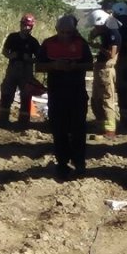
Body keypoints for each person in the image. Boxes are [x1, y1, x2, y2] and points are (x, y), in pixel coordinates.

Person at [35, 15, 93, 180]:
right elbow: (38, 66)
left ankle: (79, 163)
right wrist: (54, 65)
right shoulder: (48, 44)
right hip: (57, 94)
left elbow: (90, 64)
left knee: (78, 130)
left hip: (77, 94)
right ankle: (62, 163)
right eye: (63, 32)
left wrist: (75, 66)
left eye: (69, 32)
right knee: (59, 130)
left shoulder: (81, 44)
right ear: (57, 30)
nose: (66, 36)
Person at [0, 13, 40, 126]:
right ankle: (2, 119)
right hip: (13, 68)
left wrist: (29, 59)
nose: (26, 28)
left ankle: (23, 122)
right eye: (25, 25)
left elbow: (39, 58)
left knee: (26, 95)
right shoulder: (13, 37)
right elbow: (5, 51)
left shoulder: (33, 41)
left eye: (29, 26)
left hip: (26, 70)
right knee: (7, 93)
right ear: (21, 25)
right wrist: (11, 56)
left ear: (32, 27)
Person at [88, 8, 121, 138]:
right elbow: (94, 34)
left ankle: (110, 130)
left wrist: (99, 47)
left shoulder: (113, 34)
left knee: (107, 99)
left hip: (106, 70)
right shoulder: (106, 32)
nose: (96, 28)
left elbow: (111, 54)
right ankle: (101, 124)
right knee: (96, 99)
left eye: (97, 26)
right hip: (101, 69)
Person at [111, 2, 127, 130]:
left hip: (125, 65)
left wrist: (126, 65)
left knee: (125, 93)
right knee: (123, 93)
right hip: (124, 64)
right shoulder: (126, 27)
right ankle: (126, 120)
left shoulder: (125, 28)